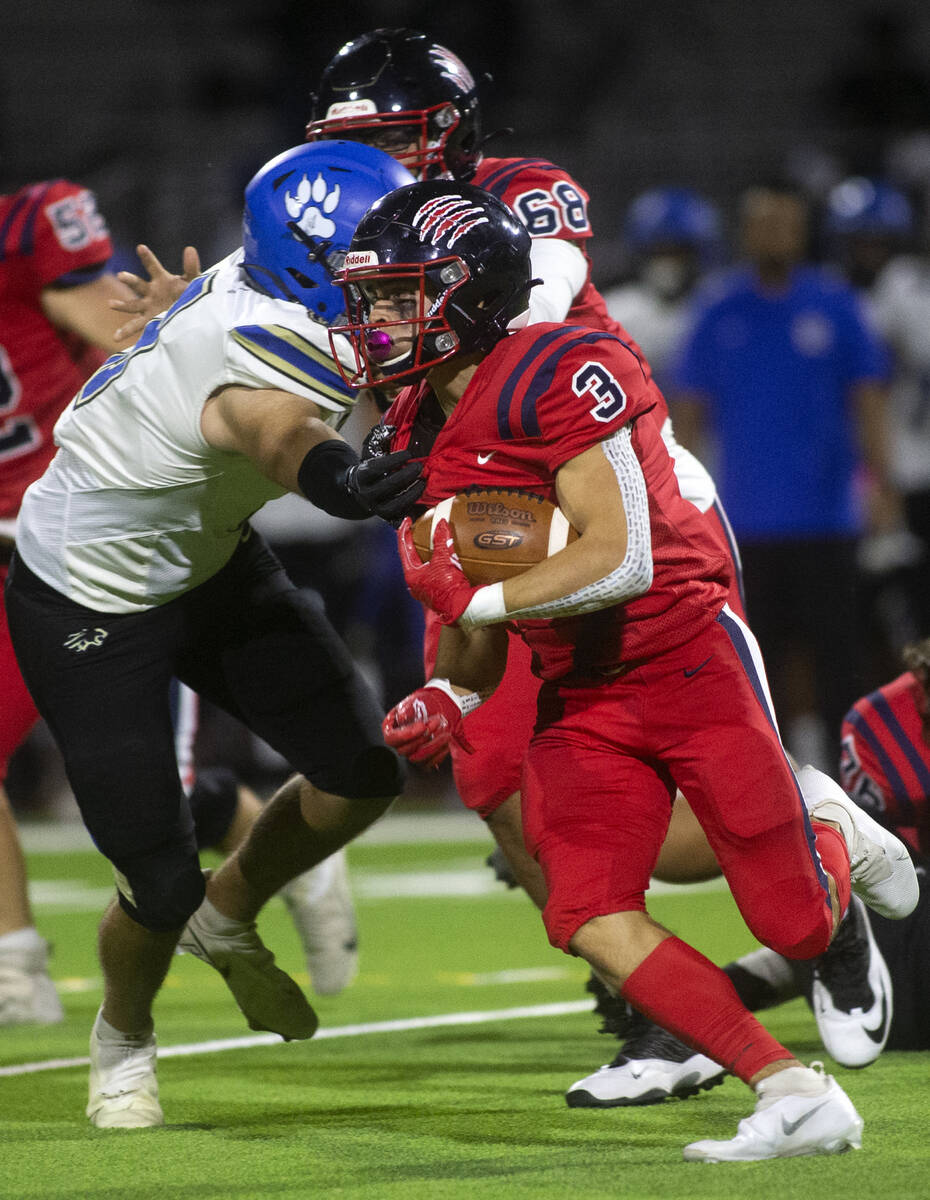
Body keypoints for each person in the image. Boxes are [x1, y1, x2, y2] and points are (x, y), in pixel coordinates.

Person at [331, 178, 919, 1162]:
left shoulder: (559, 366)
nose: (378, 319)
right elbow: (473, 584)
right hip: (580, 685)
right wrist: (451, 688)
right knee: (586, 913)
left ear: (470, 291)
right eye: (375, 296)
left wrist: (476, 599)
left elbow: (618, 555)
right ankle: (790, 1090)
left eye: (402, 294)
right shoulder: (405, 424)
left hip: (683, 654)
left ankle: (828, 840)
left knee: (792, 920)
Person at [4, 140, 422, 1130]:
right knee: (154, 876)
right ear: (319, 260)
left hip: (206, 556)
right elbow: (271, 428)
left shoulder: (267, 279)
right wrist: (348, 482)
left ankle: (226, 913)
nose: (397, 279)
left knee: (366, 768)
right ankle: (122, 1040)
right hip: (88, 599)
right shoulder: (265, 338)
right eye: (377, 256)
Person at [669, 179, 896, 771]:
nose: (775, 234)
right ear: (746, 231)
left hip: (828, 517)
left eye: (786, 223)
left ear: (803, 231)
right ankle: (771, 778)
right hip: (743, 525)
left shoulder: (836, 304)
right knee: (756, 664)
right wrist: (674, 505)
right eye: (764, 222)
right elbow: (688, 412)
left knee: (838, 661)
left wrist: (883, 489)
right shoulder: (717, 309)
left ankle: (851, 781)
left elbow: (868, 401)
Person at [0, 177, 141, 1026]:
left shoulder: (26, 228)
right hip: (10, 547)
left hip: (82, 534)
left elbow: (125, 334)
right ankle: (17, 967)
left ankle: (282, 853)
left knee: (143, 785)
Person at [602, 187, 722, 387]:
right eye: (659, 252)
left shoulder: (715, 308)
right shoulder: (614, 313)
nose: (668, 263)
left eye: (678, 253)